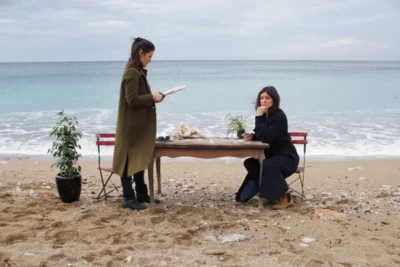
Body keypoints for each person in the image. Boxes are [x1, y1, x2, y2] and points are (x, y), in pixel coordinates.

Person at [113, 37, 164, 210]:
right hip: (130, 126)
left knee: (138, 158)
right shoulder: (132, 72)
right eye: (149, 56)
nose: (150, 60)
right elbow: (132, 99)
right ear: (140, 53)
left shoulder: (136, 70)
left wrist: (153, 97)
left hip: (136, 126)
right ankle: (128, 198)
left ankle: (142, 194)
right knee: (128, 160)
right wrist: (152, 97)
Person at [236, 86, 299, 209]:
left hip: (287, 158)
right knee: (250, 163)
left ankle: (286, 197)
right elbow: (262, 134)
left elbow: (267, 138)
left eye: (267, 98)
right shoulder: (266, 116)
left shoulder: (279, 116)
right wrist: (252, 136)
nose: (263, 101)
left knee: (267, 165)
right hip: (273, 157)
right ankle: (270, 195)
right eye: (261, 98)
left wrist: (258, 117)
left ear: (274, 100)